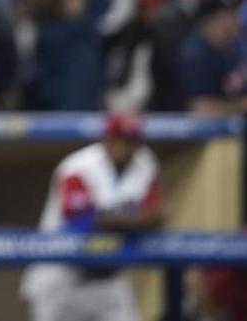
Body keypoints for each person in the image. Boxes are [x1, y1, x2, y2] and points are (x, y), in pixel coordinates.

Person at [20, 112, 163, 321]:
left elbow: (156, 215)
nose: (127, 146)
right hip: (61, 277)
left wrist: (113, 218)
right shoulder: (77, 167)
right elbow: (84, 221)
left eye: (133, 140)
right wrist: (134, 218)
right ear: (107, 138)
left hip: (108, 278)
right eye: (121, 138)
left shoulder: (145, 162)